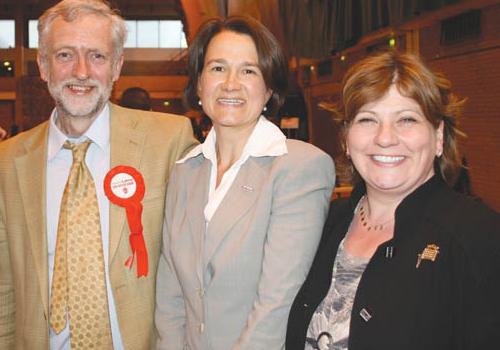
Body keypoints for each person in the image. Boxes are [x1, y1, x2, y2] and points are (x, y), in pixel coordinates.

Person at [0, 0, 197, 349]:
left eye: (97, 56)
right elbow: (3, 289)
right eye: (64, 55)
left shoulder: (170, 141)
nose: (81, 71)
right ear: (43, 66)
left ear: (117, 66)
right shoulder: (7, 161)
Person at [286, 50, 500, 350]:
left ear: (438, 136)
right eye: (368, 120)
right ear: (347, 138)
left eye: (407, 119)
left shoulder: (478, 237)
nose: (385, 138)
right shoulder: (322, 224)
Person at [155, 16, 335, 349]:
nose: (231, 84)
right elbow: (170, 294)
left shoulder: (300, 167)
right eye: (218, 68)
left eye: (249, 71)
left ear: (269, 88)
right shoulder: (185, 171)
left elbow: (276, 304)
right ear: (198, 84)